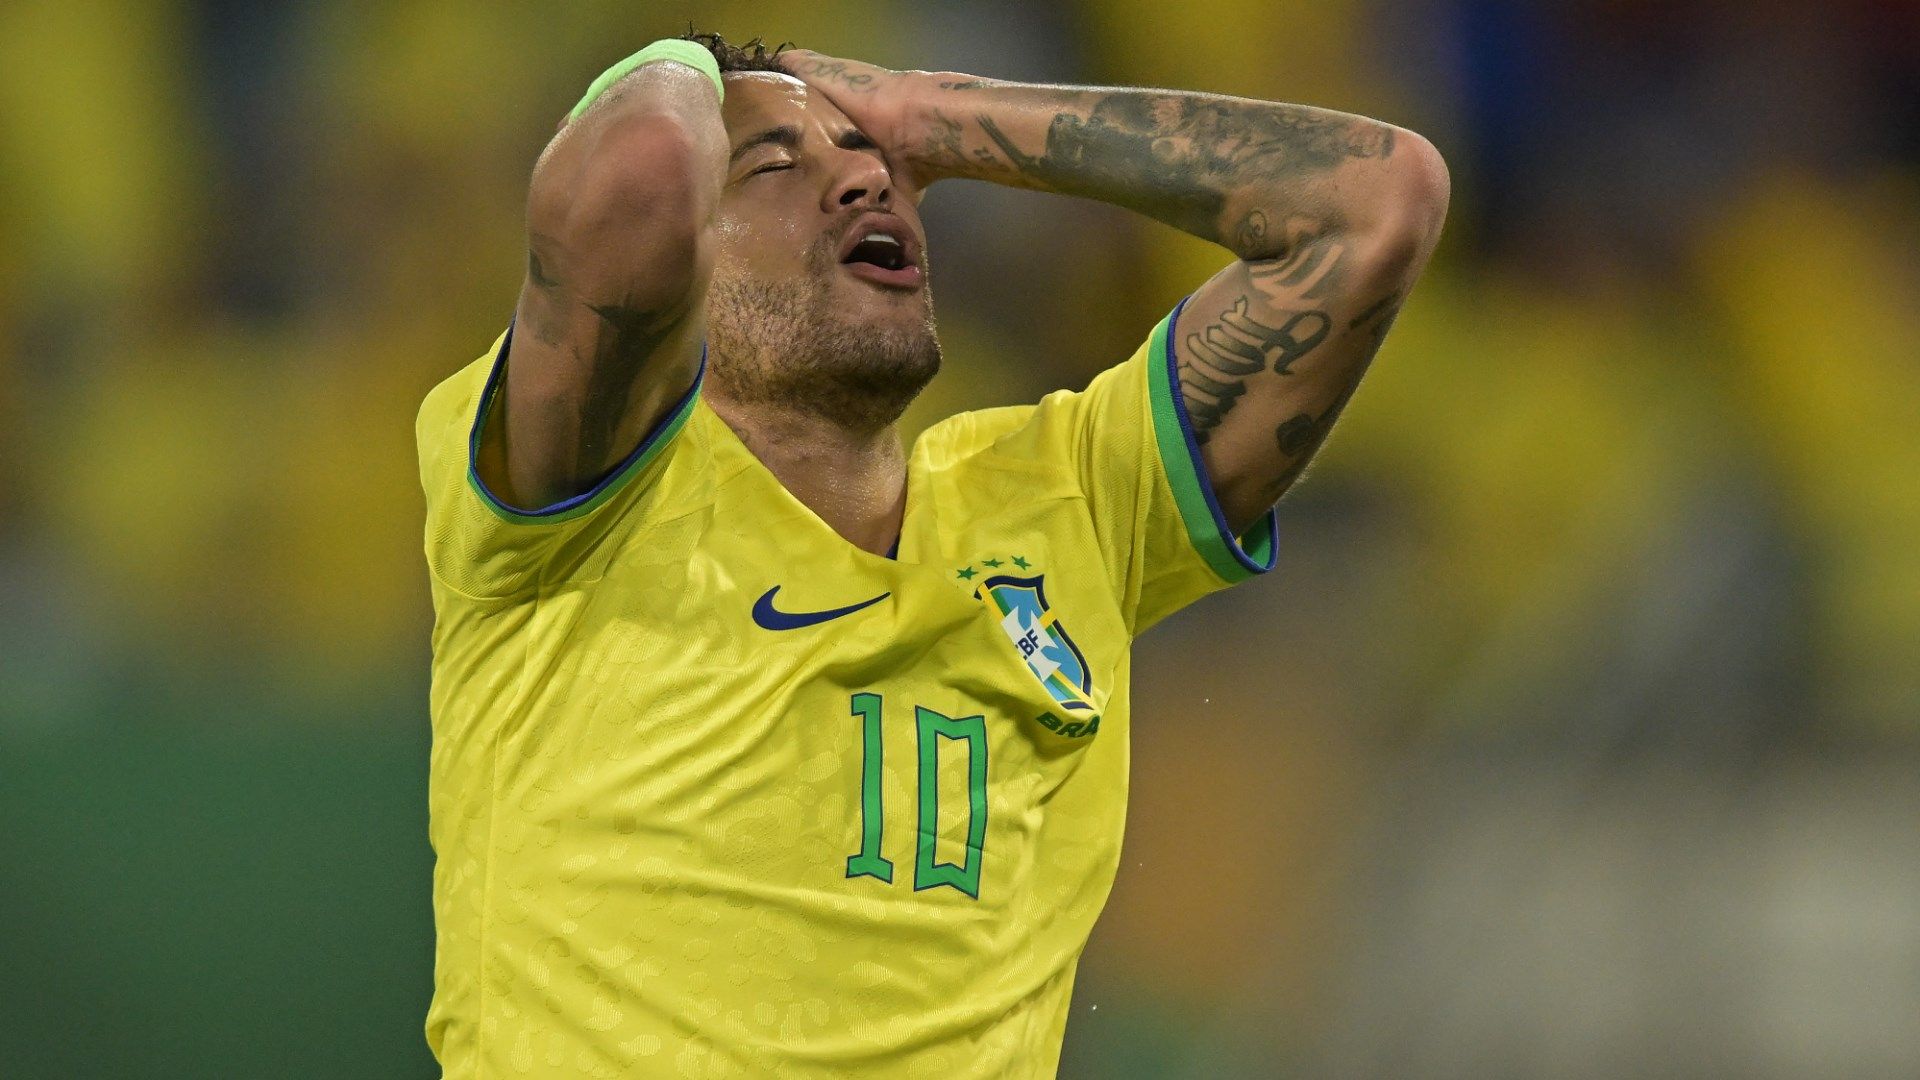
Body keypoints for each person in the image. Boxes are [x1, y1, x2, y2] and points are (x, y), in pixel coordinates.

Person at [414, 30, 1446, 1078]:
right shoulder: (578, 498)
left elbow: (1374, 200)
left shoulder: (1072, 498)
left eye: (879, 163)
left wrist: (930, 114)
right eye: (773, 166)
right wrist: (688, 57)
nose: (868, 180)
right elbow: (640, 169)